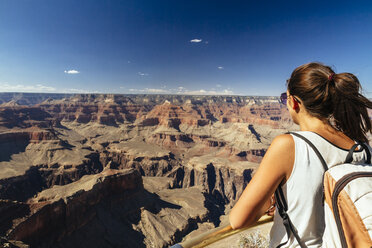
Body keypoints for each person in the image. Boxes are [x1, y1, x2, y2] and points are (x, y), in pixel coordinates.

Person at [229, 62, 372, 247]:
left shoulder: (289, 145)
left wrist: (269, 202)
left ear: (294, 102)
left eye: (284, 98)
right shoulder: (363, 148)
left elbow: (237, 220)